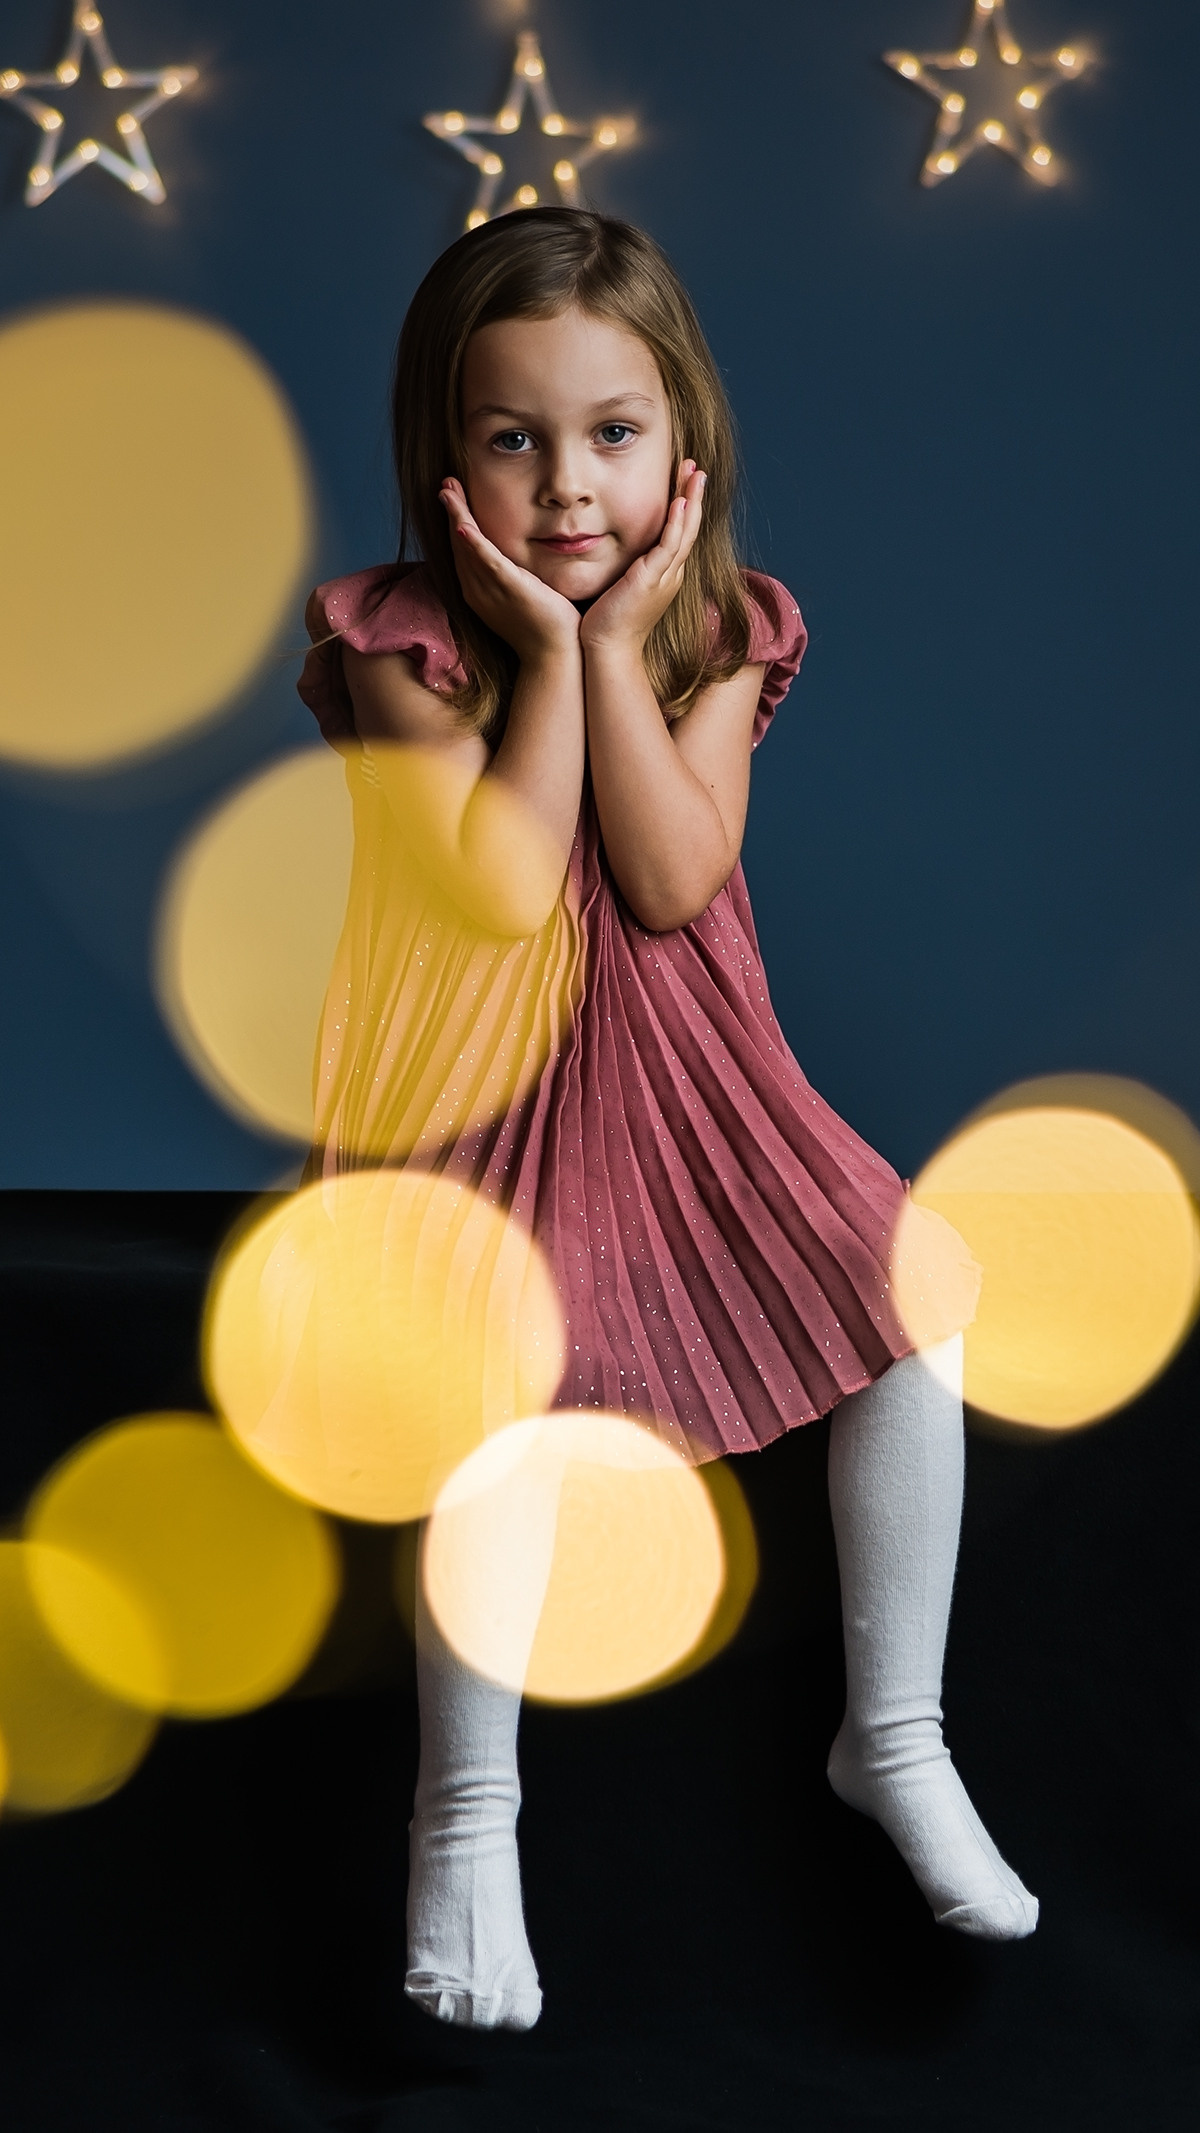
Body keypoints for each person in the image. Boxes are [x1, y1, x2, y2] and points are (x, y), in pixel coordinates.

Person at [298, 207, 1037, 2033]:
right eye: (514, 438)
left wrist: (621, 649)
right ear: (442, 458)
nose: (568, 485)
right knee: (492, 1387)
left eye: (613, 434)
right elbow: (497, 882)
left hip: (698, 1090)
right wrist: (551, 655)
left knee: (911, 1297)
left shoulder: (719, 639)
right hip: (477, 1079)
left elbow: (666, 867)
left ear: (683, 446)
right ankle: (467, 1812)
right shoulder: (401, 647)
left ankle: (898, 1732)